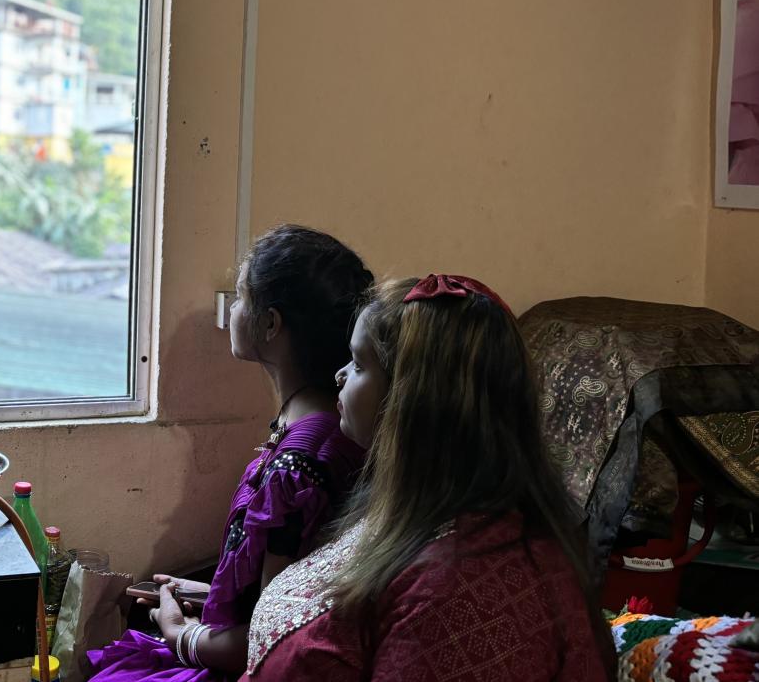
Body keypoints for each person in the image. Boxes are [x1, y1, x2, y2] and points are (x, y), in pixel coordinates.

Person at [235, 274, 616, 681]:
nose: (339, 376)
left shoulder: (465, 595)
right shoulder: (412, 511)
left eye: (359, 363)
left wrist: (193, 639)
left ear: (413, 401)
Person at [88, 225, 374, 680]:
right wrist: (209, 592)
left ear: (270, 324)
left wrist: (181, 634)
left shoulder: (298, 464)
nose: (233, 308)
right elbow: (283, 590)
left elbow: (272, 631)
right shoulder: (310, 425)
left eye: (241, 297)